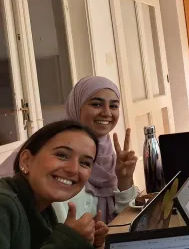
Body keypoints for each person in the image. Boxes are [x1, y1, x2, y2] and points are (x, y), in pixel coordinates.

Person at [0, 76, 138, 224]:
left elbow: (125, 221)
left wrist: (124, 180)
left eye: (114, 106)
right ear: (77, 105)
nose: (106, 113)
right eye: (96, 104)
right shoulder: (46, 147)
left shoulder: (110, 158)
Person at [0, 120, 107, 248]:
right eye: (62, 155)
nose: (73, 169)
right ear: (26, 161)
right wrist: (70, 239)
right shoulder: (3, 204)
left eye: (84, 163)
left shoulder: (43, 212)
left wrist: (90, 244)